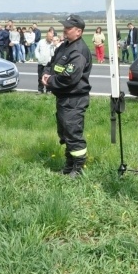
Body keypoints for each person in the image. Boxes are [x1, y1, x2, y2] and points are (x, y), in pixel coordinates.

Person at [42, 15, 93, 177]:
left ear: (78, 32)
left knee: (73, 133)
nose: (64, 30)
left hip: (74, 99)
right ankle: (69, 164)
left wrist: (50, 81)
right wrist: (45, 73)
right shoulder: (64, 46)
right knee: (65, 133)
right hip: (64, 98)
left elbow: (70, 77)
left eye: (68, 28)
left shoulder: (78, 51)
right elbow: (51, 64)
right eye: (64, 27)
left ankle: (78, 168)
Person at [35, 28, 59, 93]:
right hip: (41, 62)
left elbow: (53, 54)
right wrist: (38, 57)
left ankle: (48, 90)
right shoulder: (41, 42)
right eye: (50, 37)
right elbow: (37, 50)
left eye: (52, 37)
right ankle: (40, 90)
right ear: (46, 36)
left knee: (48, 77)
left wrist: (53, 46)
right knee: (40, 77)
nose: (51, 38)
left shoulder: (53, 44)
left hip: (48, 64)